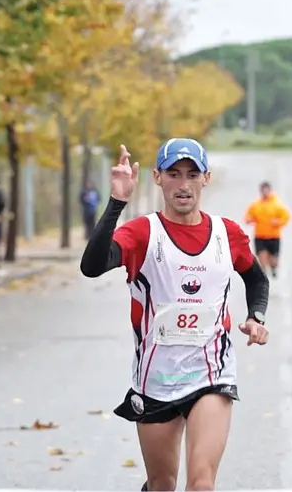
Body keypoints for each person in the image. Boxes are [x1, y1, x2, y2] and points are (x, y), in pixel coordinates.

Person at [80, 139, 270, 492]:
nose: (183, 184)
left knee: (201, 484)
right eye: (174, 174)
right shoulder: (142, 233)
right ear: (157, 178)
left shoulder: (225, 234)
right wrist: (117, 202)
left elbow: (256, 279)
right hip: (156, 378)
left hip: (211, 374)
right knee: (162, 485)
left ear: (206, 179)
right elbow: (91, 266)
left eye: (192, 174)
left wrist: (256, 316)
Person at [243, 182, 291, 279]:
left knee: (273, 260)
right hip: (260, 236)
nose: (265, 192)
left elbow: (286, 217)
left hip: (274, 236)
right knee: (262, 258)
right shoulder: (255, 205)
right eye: (263, 190)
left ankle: (273, 267)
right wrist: (250, 219)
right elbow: (247, 217)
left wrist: (278, 222)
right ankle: (264, 278)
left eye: (266, 190)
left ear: (270, 191)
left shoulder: (277, 205)